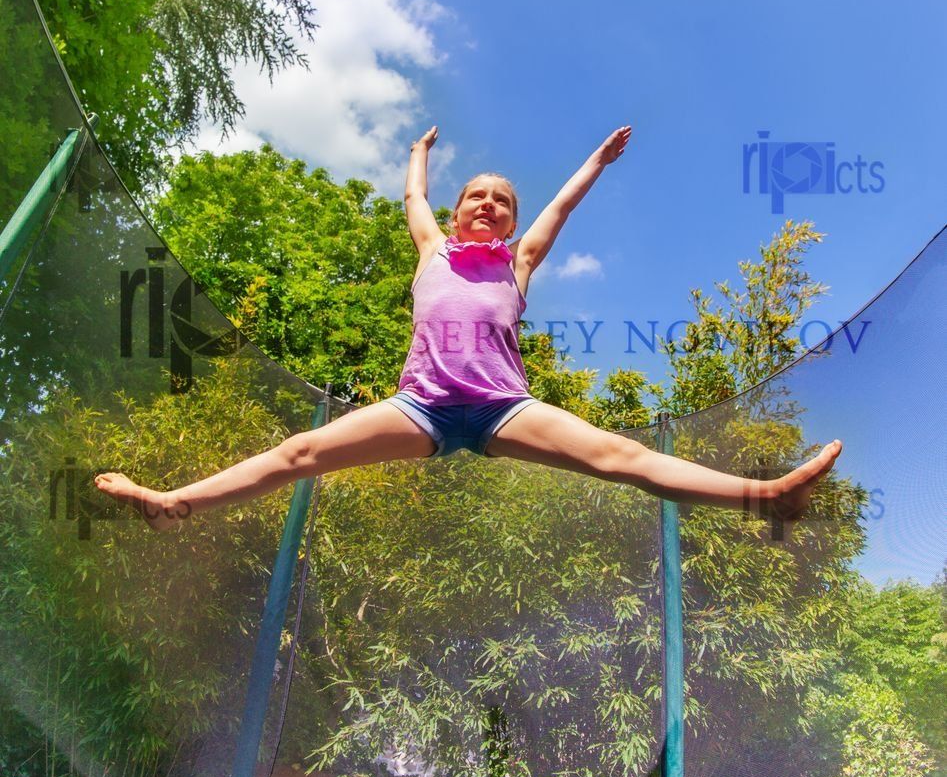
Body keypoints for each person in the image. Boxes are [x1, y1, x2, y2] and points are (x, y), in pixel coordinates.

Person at [94, 124, 842, 529]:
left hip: (500, 409)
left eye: (501, 201)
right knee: (301, 450)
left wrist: (595, 162)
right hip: (418, 406)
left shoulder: (516, 264)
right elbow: (413, 199)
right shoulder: (432, 250)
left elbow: (560, 210)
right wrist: (418, 154)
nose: (487, 204)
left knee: (618, 455)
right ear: (456, 211)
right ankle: (173, 503)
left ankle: (763, 496)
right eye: (476, 196)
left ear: (511, 220)